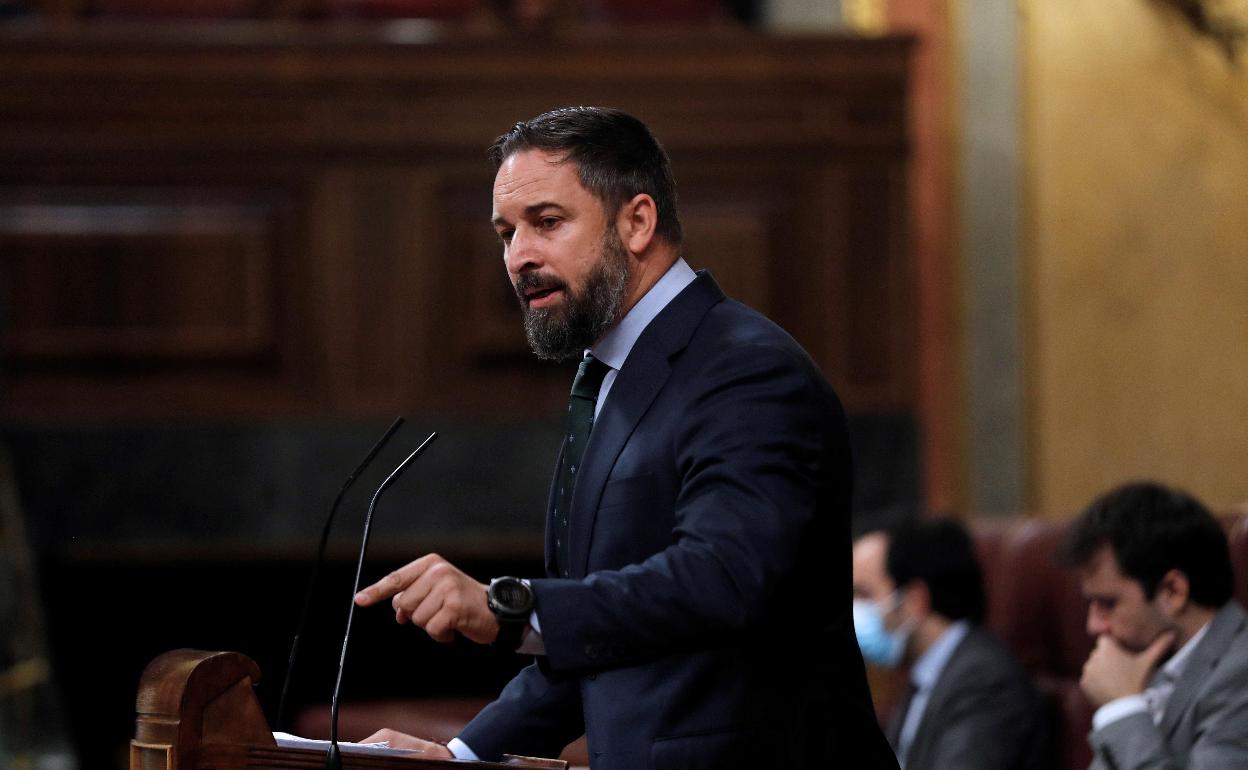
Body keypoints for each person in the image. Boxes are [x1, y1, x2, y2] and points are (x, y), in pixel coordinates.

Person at [352, 106, 899, 769]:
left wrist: (510, 607)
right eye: (506, 233)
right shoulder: (612, 378)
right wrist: (461, 757)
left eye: (547, 222)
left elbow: (723, 578)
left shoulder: (745, 369)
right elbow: (600, 641)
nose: (519, 256)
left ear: (637, 221)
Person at [1062, 481, 1248, 770]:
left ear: (1173, 591)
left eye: (1108, 603)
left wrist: (1122, 709)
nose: (1093, 625)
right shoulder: (1146, 662)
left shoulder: (1240, 671)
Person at [852, 518, 1046, 770]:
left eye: (864, 594)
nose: (855, 609)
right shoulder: (923, 674)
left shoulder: (984, 682)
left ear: (914, 601)